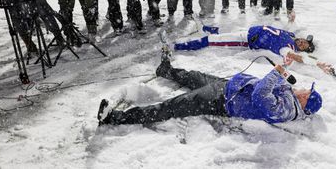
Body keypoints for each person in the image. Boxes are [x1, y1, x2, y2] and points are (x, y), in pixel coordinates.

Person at [97, 52, 322, 126]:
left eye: (307, 93)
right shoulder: (290, 97)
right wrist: (285, 65)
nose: (303, 89)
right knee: (195, 77)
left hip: (222, 100)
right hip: (230, 86)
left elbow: (261, 93)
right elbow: (278, 82)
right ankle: (166, 71)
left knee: (173, 106)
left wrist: (278, 71)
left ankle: (115, 118)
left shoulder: (284, 111)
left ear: (305, 103)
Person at [173, 25, 334, 74]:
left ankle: (179, 46)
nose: (302, 42)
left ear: (302, 50)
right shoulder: (291, 35)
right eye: (305, 40)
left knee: (212, 41)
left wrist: (318, 63)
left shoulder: (288, 48)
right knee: (224, 30)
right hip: (248, 30)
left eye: (305, 45)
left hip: (246, 40)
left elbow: (296, 57)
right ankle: (213, 29)